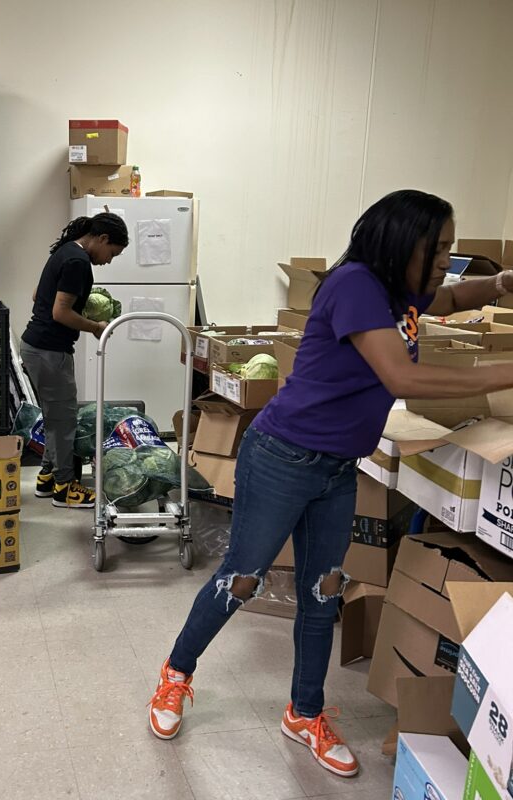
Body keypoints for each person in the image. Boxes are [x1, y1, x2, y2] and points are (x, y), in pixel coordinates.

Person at [147, 189, 513, 777]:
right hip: (282, 458)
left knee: (324, 590)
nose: (448, 259)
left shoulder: (400, 289)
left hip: (339, 467)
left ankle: (304, 713)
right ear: (401, 244)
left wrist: (497, 286)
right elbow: (401, 375)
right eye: (439, 248)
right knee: (241, 579)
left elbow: (444, 298)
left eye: (451, 247)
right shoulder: (355, 286)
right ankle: (175, 676)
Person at [21, 212, 129, 509]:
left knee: (55, 418)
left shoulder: (65, 251)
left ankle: (47, 478)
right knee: (63, 421)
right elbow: (60, 313)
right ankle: (65, 489)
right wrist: (96, 327)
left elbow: (36, 295)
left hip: (36, 347)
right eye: (112, 253)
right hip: (49, 351)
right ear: (103, 239)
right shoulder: (78, 262)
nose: (109, 260)